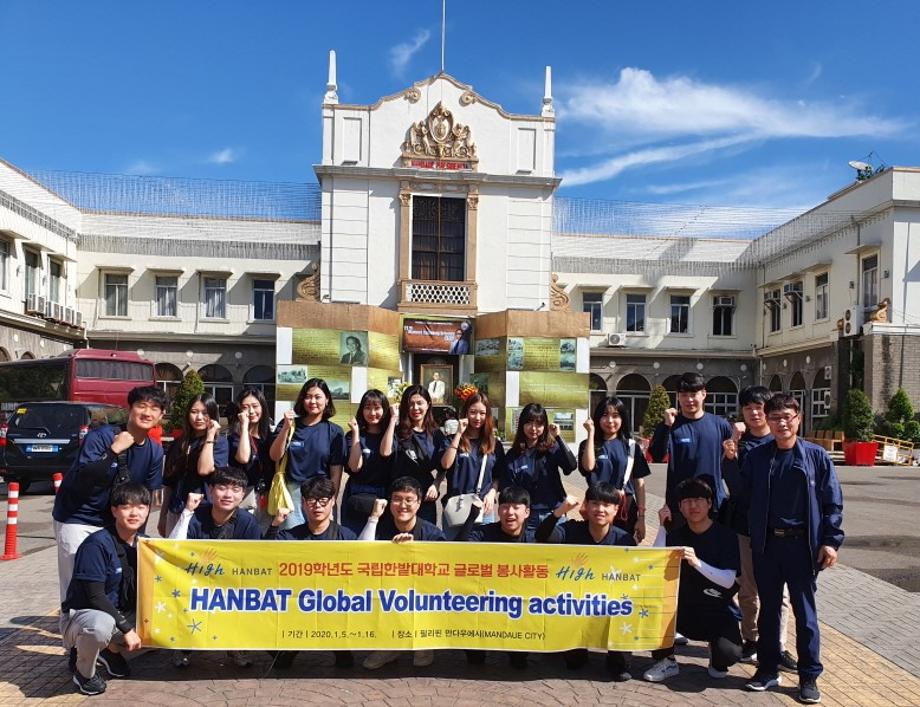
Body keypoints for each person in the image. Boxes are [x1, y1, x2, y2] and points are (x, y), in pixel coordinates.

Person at [740, 394, 844, 704]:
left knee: (805, 614)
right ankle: (768, 669)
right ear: (766, 420)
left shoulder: (815, 456)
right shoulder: (757, 458)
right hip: (768, 545)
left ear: (798, 419)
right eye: (775, 418)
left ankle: (809, 676)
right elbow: (743, 500)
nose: (782, 423)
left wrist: (830, 541)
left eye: (788, 416)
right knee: (769, 611)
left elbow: (832, 502)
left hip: (802, 547)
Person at [53, 386, 167, 602]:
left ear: (161, 415)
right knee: (77, 586)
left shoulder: (154, 451)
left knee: (111, 583)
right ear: (129, 408)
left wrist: (136, 536)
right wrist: (113, 452)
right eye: (141, 405)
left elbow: (144, 498)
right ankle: (72, 632)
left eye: (154, 408)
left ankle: (103, 630)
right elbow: (84, 478)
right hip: (79, 518)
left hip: (114, 524)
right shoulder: (102, 437)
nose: (147, 413)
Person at [722, 386, 796, 671]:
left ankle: (778, 645)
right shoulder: (737, 445)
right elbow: (737, 489)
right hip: (746, 528)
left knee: (781, 592)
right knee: (749, 588)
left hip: (779, 530)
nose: (754, 413)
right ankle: (751, 639)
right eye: (748, 408)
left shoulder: (783, 442)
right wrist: (729, 460)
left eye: (759, 407)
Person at [643, 478, 743, 684]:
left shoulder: (726, 536)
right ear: (680, 506)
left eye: (699, 500)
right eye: (687, 501)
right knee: (651, 611)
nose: (693, 506)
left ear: (709, 503)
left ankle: (717, 658)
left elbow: (727, 580)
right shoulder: (676, 535)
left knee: (730, 653)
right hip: (683, 610)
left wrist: (697, 562)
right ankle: (666, 660)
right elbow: (654, 564)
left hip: (717, 610)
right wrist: (662, 526)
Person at [536, 483, 634, 681]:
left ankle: (616, 658)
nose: (600, 509)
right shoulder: (571, 530)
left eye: (607, 505)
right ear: (586, 507)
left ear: (616, 510)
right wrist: (560, 511)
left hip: (610, 602)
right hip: (577, 602)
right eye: (595, 504)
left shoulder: (624, 540)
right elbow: (542, 536)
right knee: (574, 662)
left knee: (620, 663)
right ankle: (575, 649)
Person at [61, 482, 150, 696]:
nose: (134, 512)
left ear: (148, 510)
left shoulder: (146, 544)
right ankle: (85, 674)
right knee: (100, 626)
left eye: (140, 507)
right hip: (86, 614)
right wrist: (127, 629)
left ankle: (109, 650)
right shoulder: (96, 544)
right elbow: (94, 596)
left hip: (119, 613)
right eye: (127, 506)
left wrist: (186, 513)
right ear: (114, 510)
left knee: (167, 623)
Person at [168, 466, 260, 668]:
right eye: (222, 488)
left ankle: (237, 645)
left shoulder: (248, 523)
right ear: (210, 490)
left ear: (243, 494)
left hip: (233, 583)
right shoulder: (195, 516)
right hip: (195, 581)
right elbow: (173, 548)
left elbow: (255, 562)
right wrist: (186, 512)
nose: (228, 494)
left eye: (235, 490)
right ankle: (184, 646)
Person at [264, 476, 356, 670]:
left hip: (334, 603)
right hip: (298, 602)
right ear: (303, 504)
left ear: (332, 502)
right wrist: (274, 524)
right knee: (282, 663)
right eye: (311, 501)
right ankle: (287, 649)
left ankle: (340, 648)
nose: (317, 507)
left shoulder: (346, 536)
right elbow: (265, 555)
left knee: (346, 663)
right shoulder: (290, 535)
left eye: (323, 501)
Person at [359, 477, 445, 670]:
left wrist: (413, 552)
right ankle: (390, 645)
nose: (403, 505)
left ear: (419, 503)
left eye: (409, 500)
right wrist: (373, 517)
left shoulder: (431, 533)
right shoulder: (380, 527)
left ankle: (424, 642)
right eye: (397, 499)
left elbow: (443, 572)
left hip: (422, 595)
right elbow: (360, 555)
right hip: (388, 594)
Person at [649, 372, 733, 529]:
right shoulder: (671, 425)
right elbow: (657, 455)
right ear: (678, 397)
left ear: (703, 394)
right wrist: (666, 426)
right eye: (684, 395)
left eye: (693, 394)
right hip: (681, 506)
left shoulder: (720, 425)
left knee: (714, 551)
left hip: (714, 504)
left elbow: (731, 461)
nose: (689, 399)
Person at [269, 378, 345, 530]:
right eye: (308, 397)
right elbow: (275, 456)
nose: (312, 401)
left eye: (318, 397)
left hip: (322, 494)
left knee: (321, 540)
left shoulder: (334, 431)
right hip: (293, 493)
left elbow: (336, 471)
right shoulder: (290, 425)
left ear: (327, 399)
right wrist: (285, 428)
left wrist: (331, 500)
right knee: (292, 539)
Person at [579, 395, 651, 543]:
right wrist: (591, 433)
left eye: (615, 416)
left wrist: (642, 518)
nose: (610, 421)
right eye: (605, 415)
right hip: (597, 506)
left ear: (622, 418)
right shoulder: (588, 445)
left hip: (624, 507)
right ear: (597, 418)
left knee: (623, 549)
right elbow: (588, 466)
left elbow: (639, 482)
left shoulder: (631, 446)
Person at [500, 403, 577, 533]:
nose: (534, 428)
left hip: (555, 512)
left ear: (545, 426)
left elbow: (571, 465)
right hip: (527, 517)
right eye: (529, 422)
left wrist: (558, 437)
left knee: (555, 552)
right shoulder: (514, 455)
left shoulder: (552, 448)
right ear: (522, 424)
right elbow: (507, 487)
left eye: (539, 424)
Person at [158, 394, 228, 537]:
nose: (199, 418)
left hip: (204, 513)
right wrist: (162, 516)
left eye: (205, 413)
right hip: (176, 509)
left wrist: (210, 437)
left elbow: (204, 470)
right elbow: (170, 483)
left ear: (213, 415)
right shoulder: (179, 443)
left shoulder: (219, 443)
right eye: (194, 412)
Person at [438, 392, 503, 539]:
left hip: (483, 509)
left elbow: (498, 475)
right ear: (465, 412)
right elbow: (445, 464)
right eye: (473, 412)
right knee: (453, 555)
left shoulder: (494, 444)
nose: (477, 418)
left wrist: (492, 492)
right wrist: (459, 434)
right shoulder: (451, 440)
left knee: (481, 555)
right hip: (457, 507)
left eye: (482, 413)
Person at [342, 389, 397, 535]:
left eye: (377, 408)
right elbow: (355, 466)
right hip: (357, 494)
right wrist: (356, 434)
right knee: (354, 540)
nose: (372, 413)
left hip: (383, 495)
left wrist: (392, 420)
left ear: (384, 409)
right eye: (368, 408)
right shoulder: (352, 436)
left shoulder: (392, 435)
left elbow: (385, 452)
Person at [393, 385, 446, 524]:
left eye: (419, 403)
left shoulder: (436, 434)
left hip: (425, 495)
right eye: (410, 404)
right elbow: (386, 454)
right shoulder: (397, 432)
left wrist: (436, 484)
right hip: (400, 495)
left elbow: (444, 466)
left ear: (428, 405)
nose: (415, 408)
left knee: (425, 538)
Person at [228, 387, 275, 517]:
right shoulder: (235, 437)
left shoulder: (269, 436)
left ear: (263, 408)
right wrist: (244, 427)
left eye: (255, 406)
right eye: (245, 407)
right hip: (244, 496)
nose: (251, 411)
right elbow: (243, 458)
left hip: (267, 495)